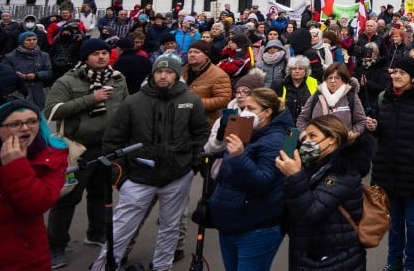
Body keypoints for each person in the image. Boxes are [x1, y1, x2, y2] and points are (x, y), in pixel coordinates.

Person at [90, 54, 210, 271]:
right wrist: (120, 177)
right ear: (153, 74)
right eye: (159, 72)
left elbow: (200, 135)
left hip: (177, 176)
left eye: (169, 72)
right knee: (121, 227)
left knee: (170, 227)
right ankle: (104, 266)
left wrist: (192, 166)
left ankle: (162, 267)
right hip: (138, 176)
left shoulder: (191, 101)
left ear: (176, 74)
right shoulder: (134, 101)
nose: (163, 76)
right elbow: (112, 140)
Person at [44, 39, 129, 268]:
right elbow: (51, 110)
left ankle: (96, 232)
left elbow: (125, 108)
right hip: (77, 148)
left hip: (107, 146)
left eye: (105, 52)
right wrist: (91, 99)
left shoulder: (117, 78)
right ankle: (56, 246)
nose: (102, 57)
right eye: (96, 54)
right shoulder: (68, 80)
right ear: (86, 57)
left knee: (101, 194)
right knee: (68, 198)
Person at [364, 55, 414, 271]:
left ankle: (411, 263)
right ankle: (393, 262)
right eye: (394, 72)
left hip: (413, 171)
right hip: (388, 169)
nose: (397, 76)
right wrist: (374, 126)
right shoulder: (384, 97)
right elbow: (382, 127)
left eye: (402, 73)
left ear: (411, 77)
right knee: (394, 221)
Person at [275, 115, 377, 271]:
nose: (306, 141)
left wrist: (295, 176)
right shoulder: (315, 164)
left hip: (332, 259)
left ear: (332, 139)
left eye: (313, 136)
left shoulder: (343, 172)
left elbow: (311, 213)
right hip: (311, 252)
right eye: (306, 136)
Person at [209, 87, 292, 271]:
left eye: (252, 109)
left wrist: (239, 156)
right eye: (244, 107)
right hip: (231, 221)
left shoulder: (277, 140)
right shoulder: (243, 127)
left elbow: (263, 183)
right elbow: (222, 162)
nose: (245, 112)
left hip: (256, 227)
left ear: (267, 112)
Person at [0, 99, 69, 271]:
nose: (25, 128)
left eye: (32, 121)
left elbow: (37, 204)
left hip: (24, 254)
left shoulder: (52, 157)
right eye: (15, 124)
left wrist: (16, 165)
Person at [297, 62, 366, 137]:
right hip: (318, 145)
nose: (333, 81)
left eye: (337, 78)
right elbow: (302, 119)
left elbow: (361, 121)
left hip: (344, 145)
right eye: (330, 78)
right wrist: (307, 135)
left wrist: (351, 135)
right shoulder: (317, 95)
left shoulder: (351, 97)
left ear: (344, 80)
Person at [182, 40, 233, 125]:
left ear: (206, 55)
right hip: (181, 121)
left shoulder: (219, 75)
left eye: (197, 52)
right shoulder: (181, 71)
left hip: (204, 122)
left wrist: (195, 103)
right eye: (190, 52)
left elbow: (223, 99)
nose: (192, 54)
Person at [3, 30, 52, 106]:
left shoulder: (44, 55)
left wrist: (36, 75)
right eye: (28, 40)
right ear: (22, 42)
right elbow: (4, 73)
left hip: (38, 91)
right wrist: (15, 74)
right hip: (18, 92)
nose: (32, 42)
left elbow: (49, 72)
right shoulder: (10, 57)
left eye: (34, 39)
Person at [280, 55, 317, 121]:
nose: (297, 71)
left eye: (300, 68)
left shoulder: (314, 82)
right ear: (289, 71)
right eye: (294, 69)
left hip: (307, 122)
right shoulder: (282, 84)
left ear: (305, 71)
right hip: (286, 122)